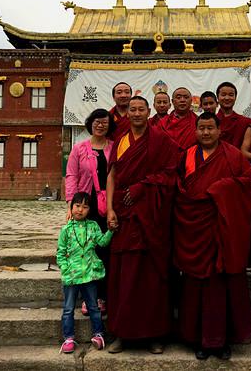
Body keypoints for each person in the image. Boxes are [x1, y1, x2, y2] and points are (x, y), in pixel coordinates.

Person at [174, 112, 251, 360]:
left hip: (223, 231)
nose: (206, 133)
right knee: (195, 286)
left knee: (223, 286)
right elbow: (179, 190)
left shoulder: (233, 155)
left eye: (210, 128)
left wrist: (221, 189)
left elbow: (248, 185)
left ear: (219, 130)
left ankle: (222, 341)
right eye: (201, 128)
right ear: (195, 131)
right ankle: (198, 338)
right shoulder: (186, 155)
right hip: (195, 231)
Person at [106, 96, 180, 354]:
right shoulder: (121, 141)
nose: (136, 113)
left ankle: (154, 335)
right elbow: (113, 175)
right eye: (133, 109)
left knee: (152, 279)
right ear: (127, 113)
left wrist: (143, 186)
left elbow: (171, 173)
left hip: (152, 217)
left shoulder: (161, 140)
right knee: (123, 277)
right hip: (125, 215)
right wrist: (110, 210)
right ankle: (122, 334)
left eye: (141, 109)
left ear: (149, 112)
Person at [65, 108, 115, 313]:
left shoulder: (115, 147)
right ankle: (89, 298)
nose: (100, 125)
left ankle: (105, 296)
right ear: (90, 123)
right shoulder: (79, 149)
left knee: (106, 251)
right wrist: (71, 204)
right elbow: (71, 176)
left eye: (104, 122)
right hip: (87, 205)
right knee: (87, 250)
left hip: (110, 204)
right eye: (97, 121)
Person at [56, 192, 114, 353]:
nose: (80, 210)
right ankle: (68, 338)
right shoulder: (66, 230)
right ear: (71, 207)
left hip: (89, 275)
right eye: (77, 206)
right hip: (71, 277)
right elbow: (60, 253)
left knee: (94, 307)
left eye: (85, 207)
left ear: (90, 210)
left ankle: (98, 334)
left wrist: (110, 231)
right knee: (68, 309)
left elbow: (102, 242)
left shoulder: (93, 226)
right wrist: (66, 269)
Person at [215, 82, 251, 149]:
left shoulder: (246, 122)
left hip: (238, 158)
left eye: (231, 95)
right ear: (217, 97)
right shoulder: (211, 122)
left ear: (235, 97)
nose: (227, 98)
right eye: (223, 95)